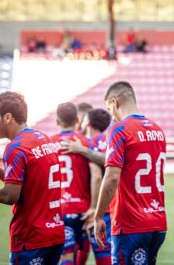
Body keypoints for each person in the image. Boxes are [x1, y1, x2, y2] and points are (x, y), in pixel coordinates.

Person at [94, 81, 167, 264]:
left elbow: (111, 177)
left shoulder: (120, 130)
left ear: (115, 102)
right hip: (157, 223)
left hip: (131, 224)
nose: (112, 116)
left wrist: (98, 216)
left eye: (110, 109)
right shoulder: (157, 130)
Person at [0, 92, 65, 263]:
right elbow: (25, 183)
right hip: (54, 233)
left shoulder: (16, 147)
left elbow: (10, 195)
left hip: (31, 237)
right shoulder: (43, 138)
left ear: (7, 117)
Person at [51, 102, 102, 265]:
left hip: (59, 211)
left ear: (57, 122)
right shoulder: (85, 143)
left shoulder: (48, 144)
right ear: (78, 121)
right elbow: (96, 177)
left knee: (65, 258)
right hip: (84, 211)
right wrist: (94, 208)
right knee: (84, 255)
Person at [62, 108, 112, 265]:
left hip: (98, 209)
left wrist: (82, 149)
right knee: (99, 250)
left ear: (87, 123)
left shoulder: (96, 141)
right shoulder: (90, 140)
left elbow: (103, 167)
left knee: (81, 251)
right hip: (96, 208)